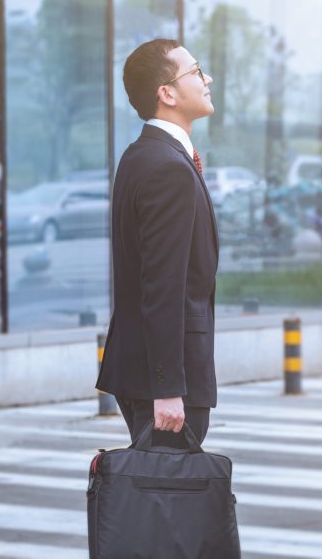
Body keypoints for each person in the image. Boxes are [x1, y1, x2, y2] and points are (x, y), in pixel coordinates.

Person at [96, 39, 218, 447]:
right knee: (169, 505)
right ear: (166, 93)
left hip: (152, 375)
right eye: (197, 72)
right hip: (165, 384)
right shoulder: (167, 167)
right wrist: (168, 388)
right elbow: (162, 285)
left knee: (160, 505)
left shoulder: (144, 155)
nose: (208, 79)